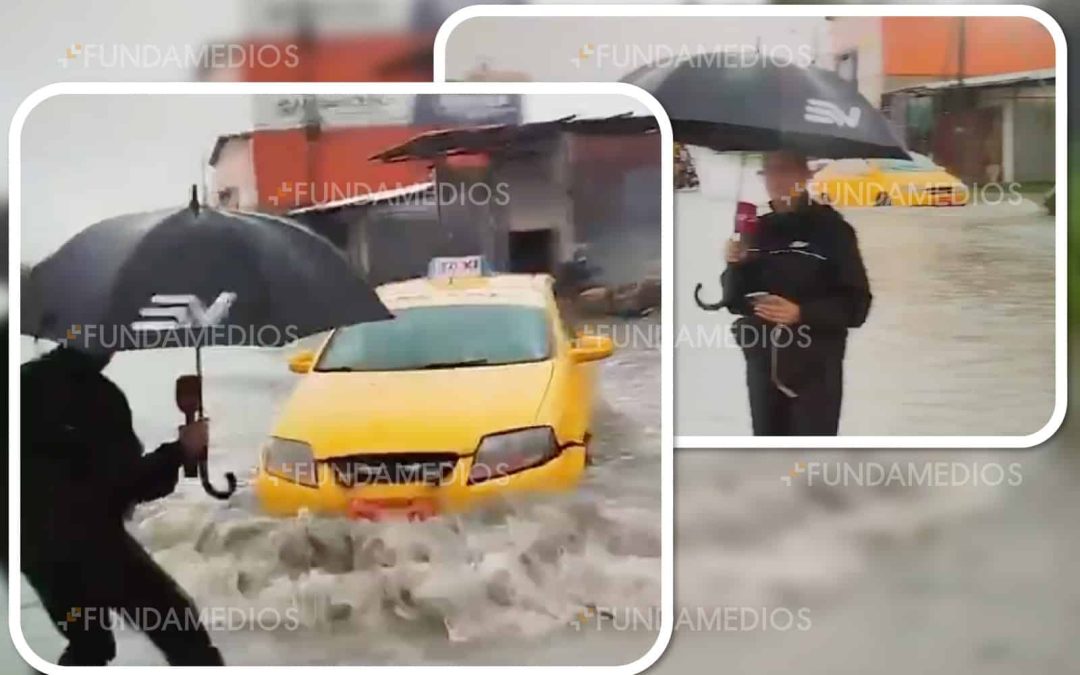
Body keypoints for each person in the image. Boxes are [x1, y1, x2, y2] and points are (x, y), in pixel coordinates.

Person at [21, 345, 225, 666]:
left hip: (34, 553)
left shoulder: (21, 383)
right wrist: (181, 450)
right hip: (92, 547)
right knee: (178, 625)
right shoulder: (98, 398)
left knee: (88, 640)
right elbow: (127, 483)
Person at [721, 150, 872, 435]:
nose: (777, 180)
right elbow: (734, 302)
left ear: (807, 175)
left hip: (815, 369)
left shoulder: (834, 231)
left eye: (785, 170)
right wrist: (734, 266)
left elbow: (857, 306)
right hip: (764, 364)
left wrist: (801, 313)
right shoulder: (756, 230)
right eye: (769, 171)